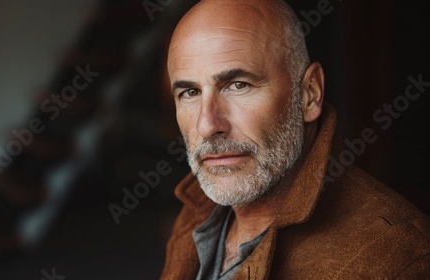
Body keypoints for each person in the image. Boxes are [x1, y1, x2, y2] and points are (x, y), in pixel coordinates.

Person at [160, 0, 430, 279]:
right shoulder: (197, 213)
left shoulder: (396, 259)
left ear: (309, 94)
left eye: (238, 85)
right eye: (190, 93)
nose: (207, 125)